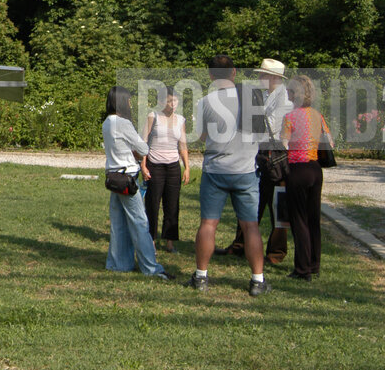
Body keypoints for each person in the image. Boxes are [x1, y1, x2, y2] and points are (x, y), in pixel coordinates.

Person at [185, 55, 269, 296]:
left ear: (210, 75)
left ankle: (201, 277)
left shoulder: (205, 101)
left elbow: (201, 136)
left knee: (208, 224)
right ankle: (257, 280)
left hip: (216, 170)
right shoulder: (252, 98)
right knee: (250, 226)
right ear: (234, 72)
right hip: (245, 170)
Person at [215, 58, 293, 263]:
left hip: (276, 157)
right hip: (261, 155)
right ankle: (240, 244)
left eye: (263, 74)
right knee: (251, 203)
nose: (259, 77)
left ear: (275, 78)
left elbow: (270, 127)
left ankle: (276, 252)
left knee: (278, 206)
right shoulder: (264, 95)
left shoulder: (284, 100)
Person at [103, 86, 172, 279]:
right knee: (140, 222)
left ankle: (118, 263)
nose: (131, 104)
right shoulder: (123, 123)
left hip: (113, 177)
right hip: (127, 178)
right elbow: (143, 149)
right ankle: (151, 267)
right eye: (129, 100)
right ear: (122, 102)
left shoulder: (107, 122)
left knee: (118, 224)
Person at [280, 75, 330, 281]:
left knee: (298, 220)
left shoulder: (290, 118)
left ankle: (302, 269)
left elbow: (283, 144)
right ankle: (314, 264)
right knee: (313, 218)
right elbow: (329, 142)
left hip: (297, 169)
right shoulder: (318, 116)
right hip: (315, 169)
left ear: (294, 94)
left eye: (289, 91)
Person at [140, 86, 190, 253]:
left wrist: (187, 167)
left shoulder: (181, 120)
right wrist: (143, 164)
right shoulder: (153, 116)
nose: (173, 104)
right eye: (169, 101)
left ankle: (170, 242)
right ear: (162, 101)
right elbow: (143, 142)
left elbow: (182, 145)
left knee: (172, 204)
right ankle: (151, 240)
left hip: (173, 165)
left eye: (175, 100)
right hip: (155, 164)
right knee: (153, 203)